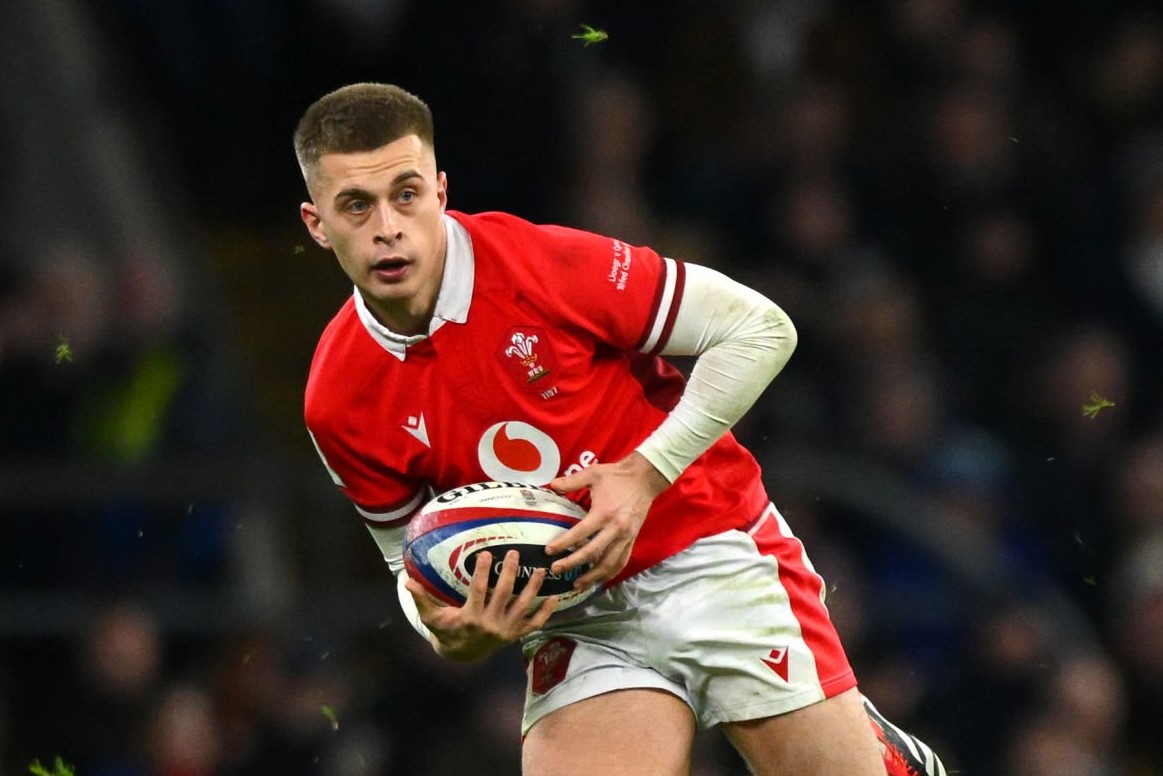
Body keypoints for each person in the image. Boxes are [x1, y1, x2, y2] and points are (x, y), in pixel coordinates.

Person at [295, 82, 947, 776]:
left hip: (707, 544)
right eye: (356, 205)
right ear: (316, 223)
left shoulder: (540, 265)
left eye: (406, 194)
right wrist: (446, 631)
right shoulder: (336, 399)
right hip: (579, 617)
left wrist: (643, 474)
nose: (388, 227)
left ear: (440, 192)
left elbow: (759, 328)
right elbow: (409, 562)